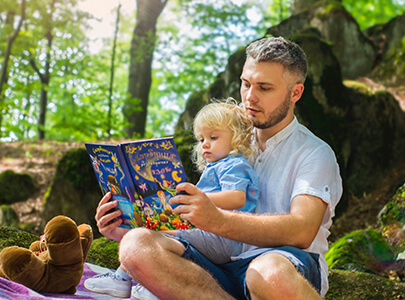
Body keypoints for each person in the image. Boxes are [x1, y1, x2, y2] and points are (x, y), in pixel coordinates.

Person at [95, 36, 342, 299]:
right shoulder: (228, 142)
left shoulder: (315, 153)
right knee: (135, 245)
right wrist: (127, 223)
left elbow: (302, 230)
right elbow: (198, 228)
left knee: (268, 271)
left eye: (264, 88)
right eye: (245, 84)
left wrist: (217, 219)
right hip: (217, 267)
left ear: (296, 93)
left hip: (283, 264)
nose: (250, 97)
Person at [85, 100, 260, 298]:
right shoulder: (218, 166)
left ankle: (128, 281)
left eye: (213, 137)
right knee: (149, 233)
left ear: (238, 138)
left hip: (221, 239)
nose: (205, 144)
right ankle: (134, 281)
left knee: (155, 236)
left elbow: (237, 198)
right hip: (208, 234)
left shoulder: (235, 164)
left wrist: (198, 198)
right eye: (201, 139)